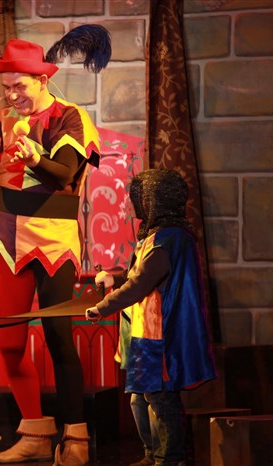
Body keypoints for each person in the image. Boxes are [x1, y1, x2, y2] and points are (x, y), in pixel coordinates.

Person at [0, 32, 108, 465]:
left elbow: (64, 173)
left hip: (53, 237)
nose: (12, 95)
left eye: (20, 86)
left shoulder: (70, 117)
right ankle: (35, 431)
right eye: (7, 88)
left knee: (58, 337)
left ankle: (76, 438)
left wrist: (34, 157)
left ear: (42, 81)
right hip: (6, 238)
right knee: (9, 343)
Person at [86, 169, 216, 466]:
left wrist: (103, 307)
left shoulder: (170, 239)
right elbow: (140, 276)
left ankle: (169, 458)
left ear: (153, 199)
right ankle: (152, 454)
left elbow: (142, 283)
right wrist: (115, 279)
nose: (131, 203)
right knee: (140, 398)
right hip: (145, 333)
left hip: (160, 337)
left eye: (138, 196)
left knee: (161, 398)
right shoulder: (157, 236)